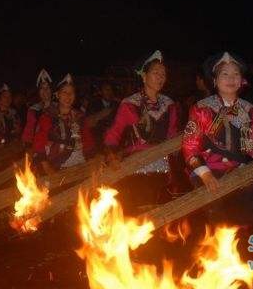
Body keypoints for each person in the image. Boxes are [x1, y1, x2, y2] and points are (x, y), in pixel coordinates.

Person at [182, 51, 253, 193]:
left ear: (241, 81)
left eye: (236, 74)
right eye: (225, 74)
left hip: (242, 174)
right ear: (215, 80)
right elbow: (190, 147)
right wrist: (206, 175)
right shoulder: (201, 109)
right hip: (208, 172)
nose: (231, 78)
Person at [104, 50, 179, 207]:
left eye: (163, 74)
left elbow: (172, 135)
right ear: (144, 76)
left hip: (162, 167)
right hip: (136, 168)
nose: (160, 77)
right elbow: (113, 135)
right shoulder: (130, 104)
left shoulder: (169, 104)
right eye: (156, 72)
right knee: (142, 215)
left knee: (162, 215)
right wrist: (112, 155)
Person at [32, 74, 90, 174]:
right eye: (64, 92)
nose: (68, 96)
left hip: (81, 166)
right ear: (57, 95)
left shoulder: (80, 116)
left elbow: (88, 140)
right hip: (57, 167)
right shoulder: (48, 116)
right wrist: (46, 166)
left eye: (71, 93)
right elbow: (38, 143)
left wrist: (92, 157)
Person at [22, 68, 53, 147]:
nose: (45, 90)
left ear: (51, 90)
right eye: (42, 88)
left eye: (47, 88)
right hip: (39, 147)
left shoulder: (59, 107)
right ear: (38, 92)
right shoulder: (33, 110)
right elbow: (28, 132)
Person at [85, 81, 119, 151]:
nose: (109, 92)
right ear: (100, 92)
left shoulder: (116, 105)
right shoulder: (93, 104)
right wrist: (103, 113)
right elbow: (88, 124)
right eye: (106, 90)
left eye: (111, 90)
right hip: (98, 143)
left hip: (114, 142)